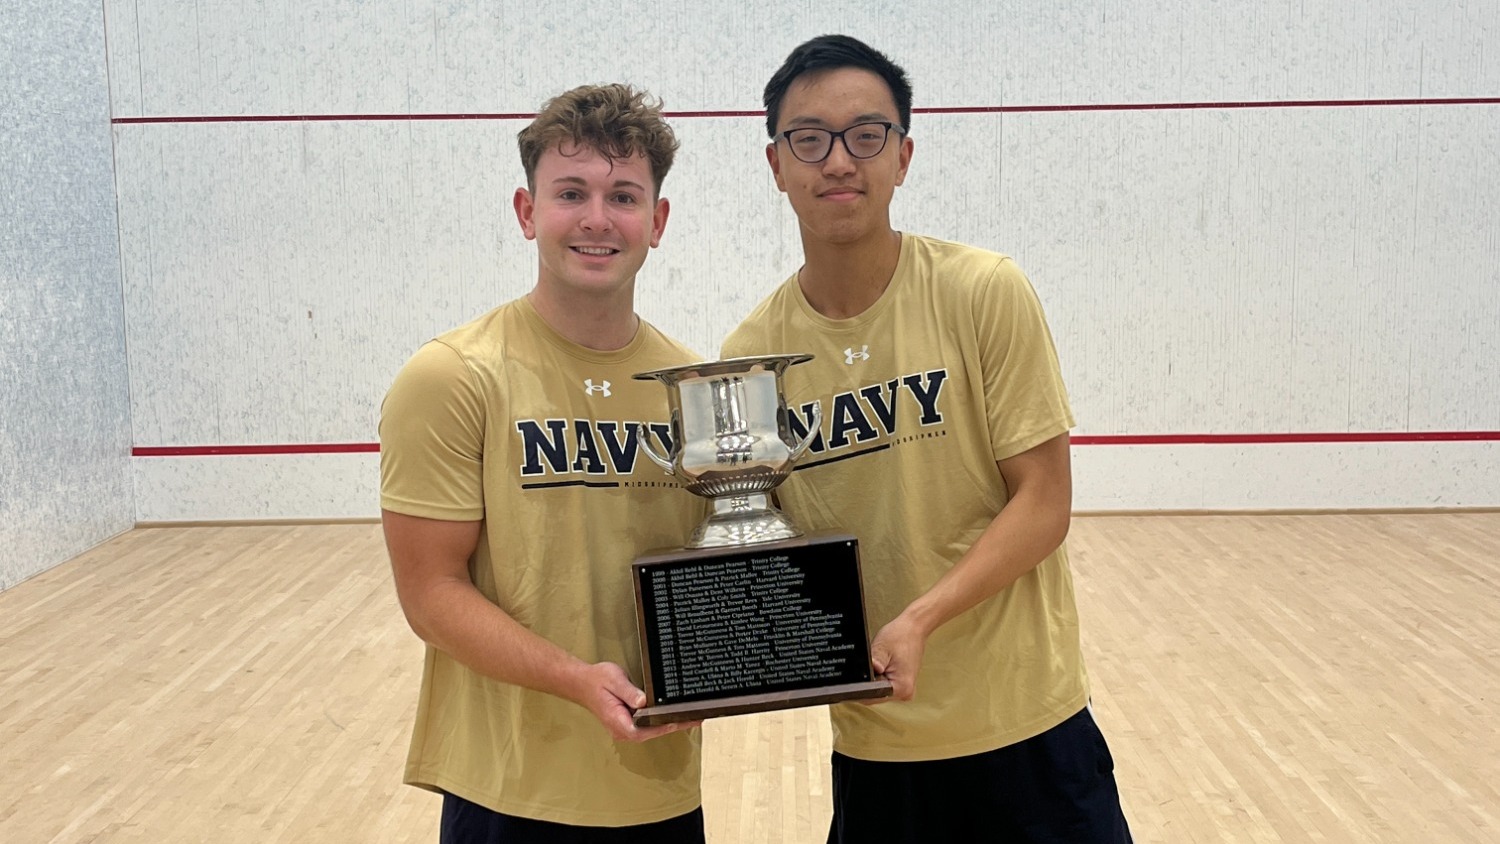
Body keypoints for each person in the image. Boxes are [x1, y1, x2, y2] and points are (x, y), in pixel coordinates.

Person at [721, 35, 1133, 842]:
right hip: (879, 746)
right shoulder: (749, 358)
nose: (839, 160)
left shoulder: (983, 291)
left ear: (903, 155)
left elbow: (1044, 502)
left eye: (865, 135)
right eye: (809, 138)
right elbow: (767, 551)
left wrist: (921, 619)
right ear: (776, 164)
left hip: (1028, 726)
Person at [379, 83, 706, 843]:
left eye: (624, 195)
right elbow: (430, 593)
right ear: (528, 213)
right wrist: (572, 680)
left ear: (657, 223)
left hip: (657, 786)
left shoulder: (692, 387)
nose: (597, 218)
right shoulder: (454, 376)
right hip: (507, 792)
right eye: (571, 192)